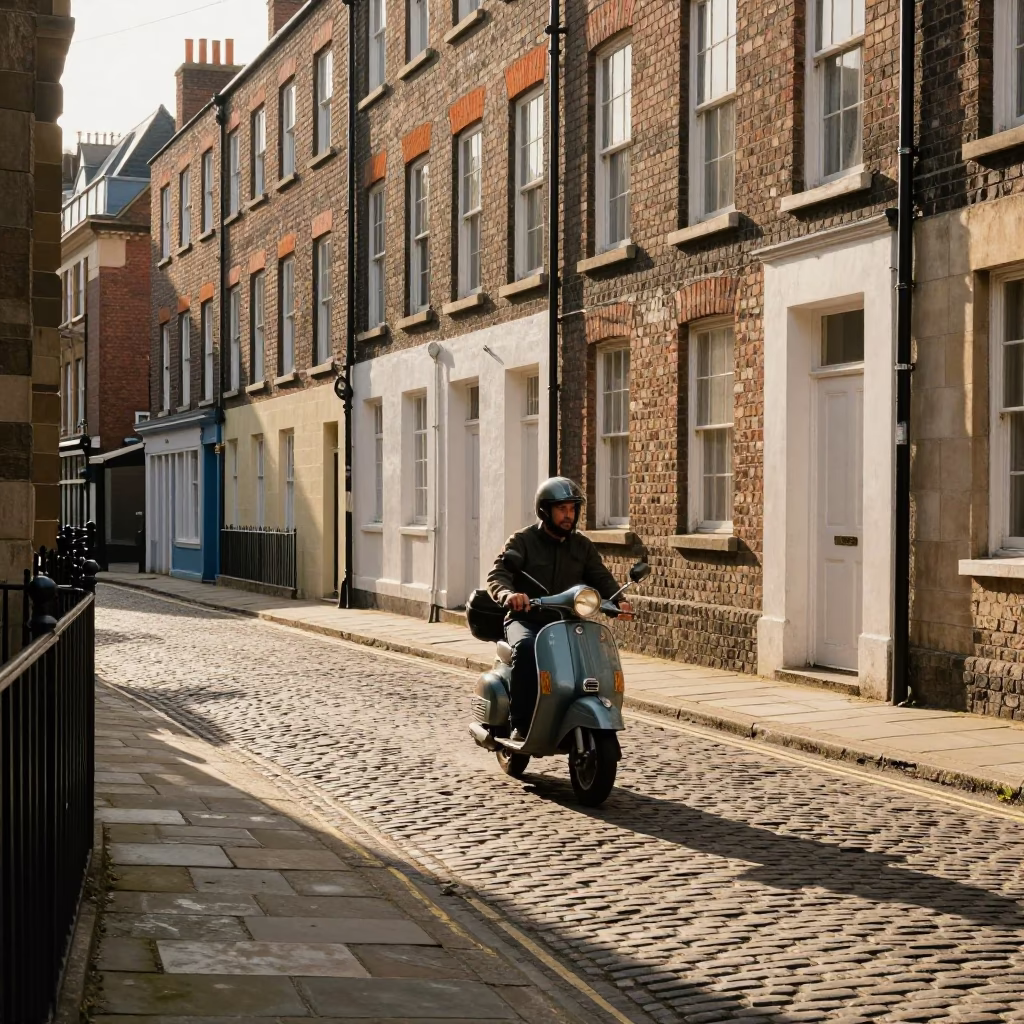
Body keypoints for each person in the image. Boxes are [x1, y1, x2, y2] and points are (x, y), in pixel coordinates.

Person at [486, 477, 632, 741]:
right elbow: (498, 575)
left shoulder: (582, 545)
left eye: (572, 509)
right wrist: (509, 595)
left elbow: (600, 577)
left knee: (595, 654)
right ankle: (520, 723)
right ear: (545, 510)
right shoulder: (522, 541)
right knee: (526, 649)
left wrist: (618, 599)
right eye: (562, 509)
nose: (568, 515)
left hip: (569, 622)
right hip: (528, 619)